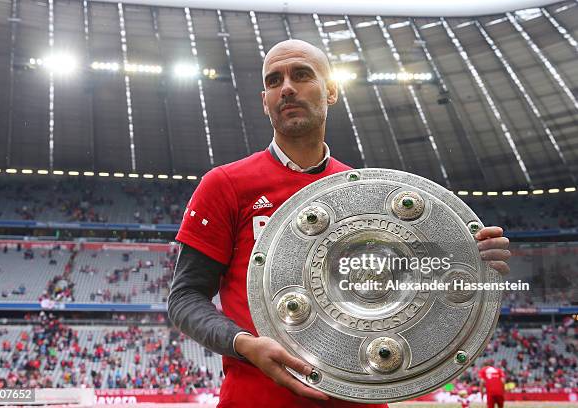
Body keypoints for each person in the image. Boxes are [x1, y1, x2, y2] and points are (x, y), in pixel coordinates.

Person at [167, 39, 511, 407]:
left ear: (331, 91)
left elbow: (412, 286)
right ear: (264, 100)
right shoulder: (226, 185)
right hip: (257, 397)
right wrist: (244, 344)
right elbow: (185, 297)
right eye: (273, 81)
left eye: (302, 75)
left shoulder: (369, 193)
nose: (286, 88)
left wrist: (471, 256)